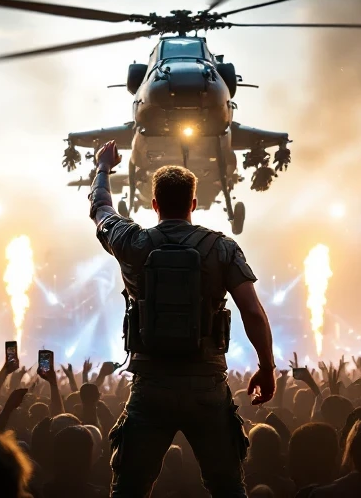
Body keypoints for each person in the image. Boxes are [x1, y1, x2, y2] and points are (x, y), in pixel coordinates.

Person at [88, 140, 277, 497]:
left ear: (154, 204)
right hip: (206, 385)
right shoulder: (222, 248)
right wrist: (267, 367)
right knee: (228, 489)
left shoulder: (132, 242)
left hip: (151, 386)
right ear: (193, 204)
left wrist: (102, 169)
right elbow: (252, 310)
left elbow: (101, 210)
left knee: (129, 490)